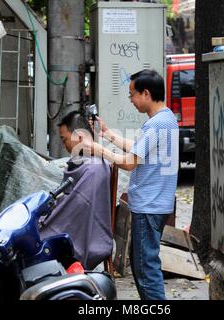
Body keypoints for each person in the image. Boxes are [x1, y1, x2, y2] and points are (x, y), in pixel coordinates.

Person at [81, 69, 179, 300]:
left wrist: (99, 150)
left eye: (132, 94)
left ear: (146, 93)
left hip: (149, 206)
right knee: (142, 265)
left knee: (146, 270)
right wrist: (106, 134)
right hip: (155, 204)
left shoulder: (156, 125)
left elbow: (129, 163)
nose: (131, 100)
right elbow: (138, 149)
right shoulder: (166, 119)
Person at [39, 110, 113, 270]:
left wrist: (48, 225)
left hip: (84, 236)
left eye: (65, 140)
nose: (64, 145)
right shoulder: (86, 164)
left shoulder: (93, 168)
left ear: (79, 137)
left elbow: (77, 206)